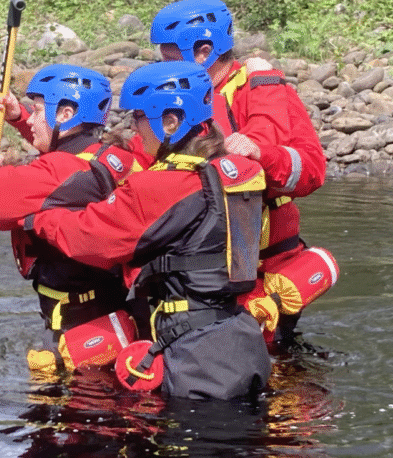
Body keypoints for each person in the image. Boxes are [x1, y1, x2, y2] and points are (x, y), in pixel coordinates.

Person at [20, 61, 272, 400]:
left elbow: (92, 237)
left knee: (194, 446)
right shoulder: (239, 170)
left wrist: (37, 218)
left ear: (170, 120)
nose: (136, 130)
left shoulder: (162, 186)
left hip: (197, 356)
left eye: (140, 117)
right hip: (241, 336)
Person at [147, 0, 332, 348]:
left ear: (203, 51)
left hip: (261, 270)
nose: (163, 69)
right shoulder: (174, 97)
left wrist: (263, 155)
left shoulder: (259, 89)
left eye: (170, 59)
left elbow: (311, 171)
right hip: (199, 271)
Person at [0, 64, 140, 373]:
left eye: (39, 111)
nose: (35, 117)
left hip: (74, 321)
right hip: (107, 307)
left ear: (66, 115)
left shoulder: (61, 173)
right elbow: (59, 146)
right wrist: (19, 117)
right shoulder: (111, 154)